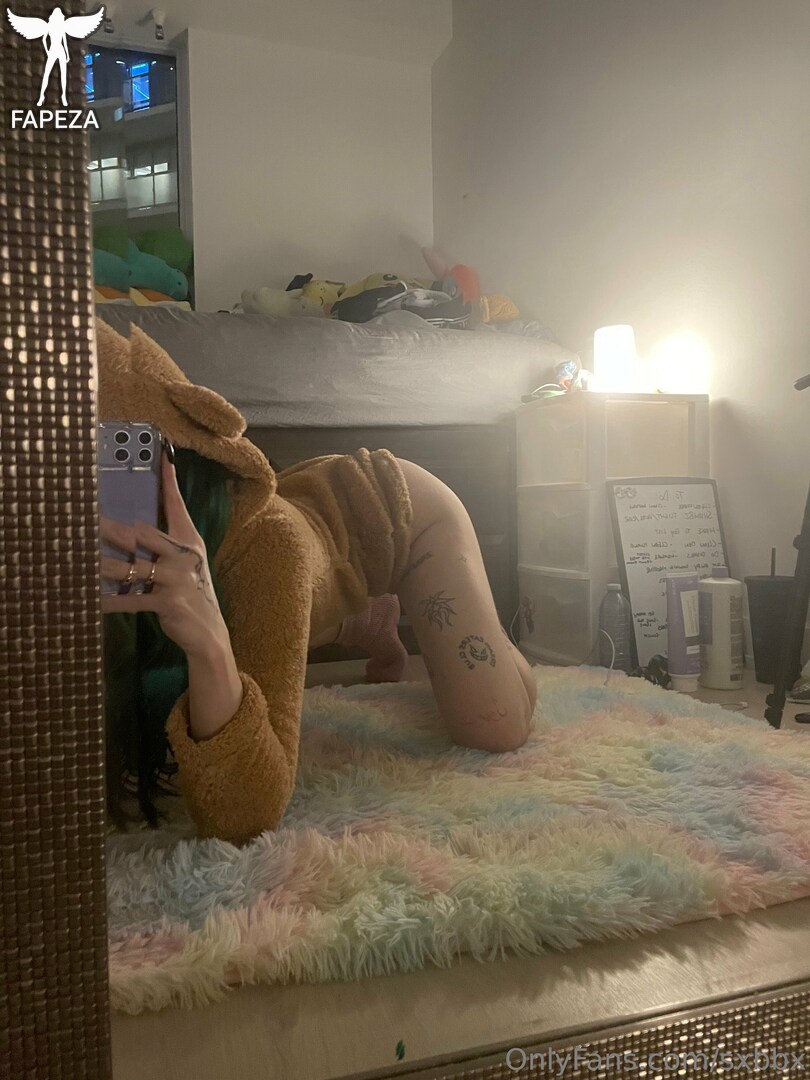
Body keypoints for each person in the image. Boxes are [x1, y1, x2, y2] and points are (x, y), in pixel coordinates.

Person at [98, 320, 536, 845]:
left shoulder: (268, 546)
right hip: (312, 517)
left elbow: (247, 815)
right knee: (275, 594)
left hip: (403, 509)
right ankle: (364, 619)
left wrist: (210, 647)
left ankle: (497, 639)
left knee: (494, 724)